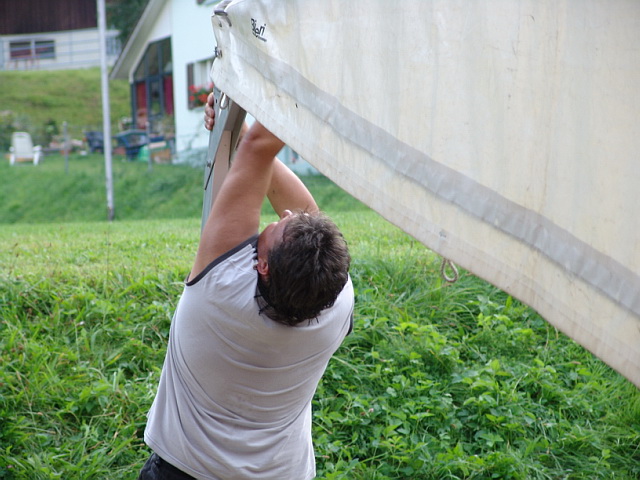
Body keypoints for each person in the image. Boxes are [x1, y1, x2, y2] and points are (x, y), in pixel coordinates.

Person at [137, 92, 354, 480]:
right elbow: (261, 156)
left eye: (279, 226)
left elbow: (260, 149)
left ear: (263, 266)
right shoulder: (334, 300)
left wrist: (242, 89)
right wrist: (233, 132)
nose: (284, 213)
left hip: (184, 471)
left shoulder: (222, 288)